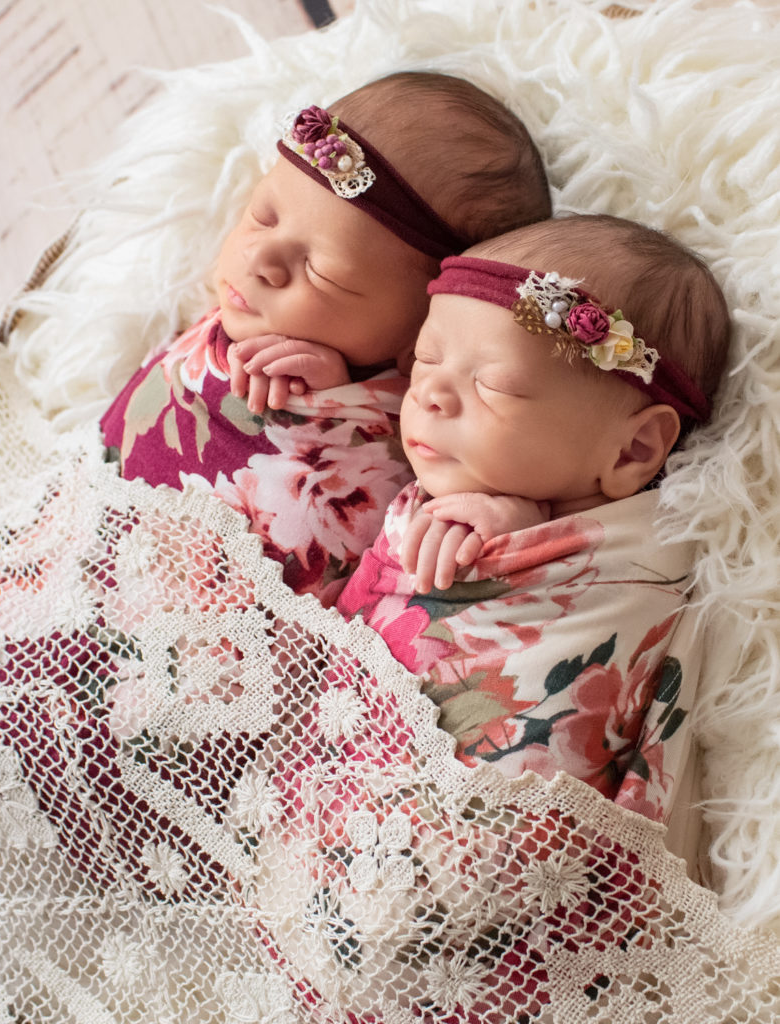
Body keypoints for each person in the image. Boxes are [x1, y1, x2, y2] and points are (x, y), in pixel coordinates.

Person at [336, 213, 731, 822]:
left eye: (495, 384)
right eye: (426, 358)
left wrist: (512, 534)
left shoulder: (636, 559)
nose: (428, 394)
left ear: (634, 451)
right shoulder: (441, 487)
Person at [100, 71, 551, 599]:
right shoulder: (231, 311)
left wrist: (337, 404)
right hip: (86, 528)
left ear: (421, 335)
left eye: (323, 274)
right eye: (263, 216)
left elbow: (447, 512)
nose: (260, 258)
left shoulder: (435, 418)